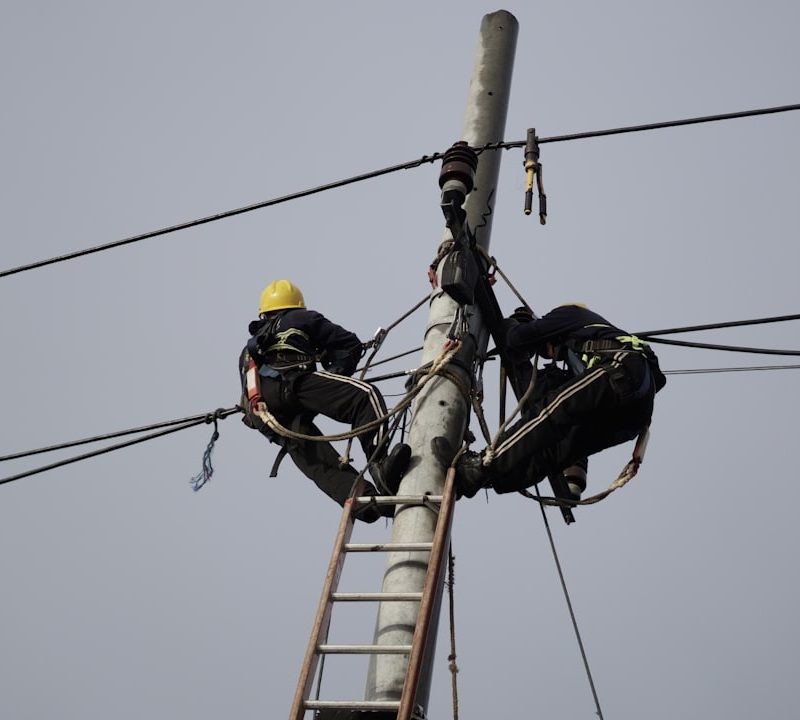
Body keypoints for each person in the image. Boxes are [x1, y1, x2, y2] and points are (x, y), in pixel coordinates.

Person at [434, 303, 666, 501]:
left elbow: (516, 339)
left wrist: (516, 324)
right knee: (552, 451)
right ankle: (482, 479)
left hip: (623, 369)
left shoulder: (571, 314)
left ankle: (481, 465)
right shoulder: (583, 355)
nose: (549, 355)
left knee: (550, 412)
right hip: (634, 415)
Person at [239, 279, 410, 522]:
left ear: (263, 314)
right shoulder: (301, 318)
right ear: (296, 306)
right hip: (294, 383)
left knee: (312, 455)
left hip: (263, 413)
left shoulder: (248, 352)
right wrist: (336, 373)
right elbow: (348, 344)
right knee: (364, 396)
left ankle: (365, 502)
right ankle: (380, 466)